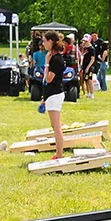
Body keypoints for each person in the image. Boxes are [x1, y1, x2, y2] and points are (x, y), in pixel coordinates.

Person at [40, 30, 68, 158]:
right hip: (52, 94)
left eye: (44, 41)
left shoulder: (56, 59)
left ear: (50, 41)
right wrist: (44, 98)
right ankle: (59, 152)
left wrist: (46, 63)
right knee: (55, 125)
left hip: (55, 94)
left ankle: (59, 153)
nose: (43, 43)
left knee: (56, 127)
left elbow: (49, 79)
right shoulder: (54, 57)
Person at [80, 34, 96, 99]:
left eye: (86, 41)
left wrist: (88, 67)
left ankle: (92, 93)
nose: (85, 42)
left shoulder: (91, 49)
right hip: (84, 65)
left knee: (89, 80)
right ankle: (88, 92)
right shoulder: (84, 48)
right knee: (86, 79)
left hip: (89, 66)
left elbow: (92, 59)